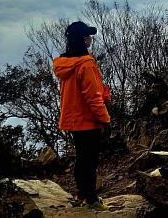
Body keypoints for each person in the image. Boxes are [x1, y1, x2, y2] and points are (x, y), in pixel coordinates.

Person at [53, 21, 112, 211]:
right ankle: (91, 199)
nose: (90, 39)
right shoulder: (86, 64)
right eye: (87, 36)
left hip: (73, 120)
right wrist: (105, 119)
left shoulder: (64, 63)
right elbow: (93, 97)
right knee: (90, 160)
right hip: (88, 120)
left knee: (81, 158)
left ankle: (81, 194)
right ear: (82, 40)